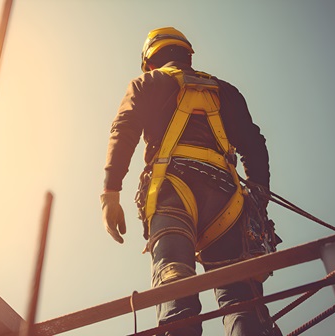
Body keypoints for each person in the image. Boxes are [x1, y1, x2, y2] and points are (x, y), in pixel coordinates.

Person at [100, 27, 279, 335]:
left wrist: (110, 192)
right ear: (187, 55)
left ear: (151, 62)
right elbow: (253, 143)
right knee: (240, 302)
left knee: (174, 281)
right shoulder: (226, 91)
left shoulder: (148, 82)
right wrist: (259, 195)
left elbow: (124, 129)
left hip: (172, 192)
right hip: (228, 201)